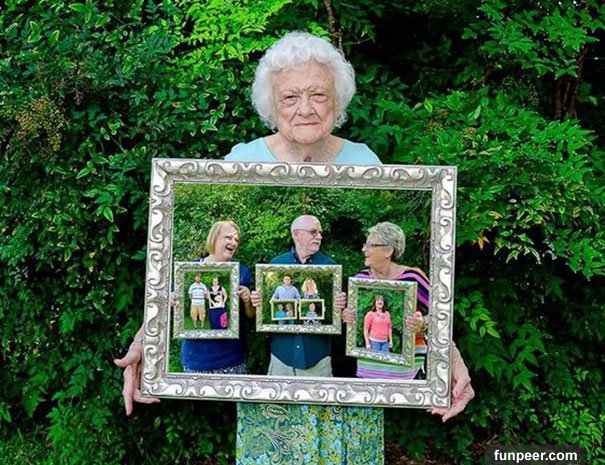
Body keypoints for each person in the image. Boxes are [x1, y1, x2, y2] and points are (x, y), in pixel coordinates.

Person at [117, 31, 473, 463]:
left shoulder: (365, 163)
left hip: (341, 384)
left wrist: (449, 358)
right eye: (290, 97)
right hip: (275, 377)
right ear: (271, 105)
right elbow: (194, 272)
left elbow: (400, 289)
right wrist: (147, 342)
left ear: (337, 102)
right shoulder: (240, 161)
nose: (305, 108)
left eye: (318, 94)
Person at [114, 221, 254, 413]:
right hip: (195, 360)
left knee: (233, 415)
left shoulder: (242, 272)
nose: (234, 242)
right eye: (228, 237)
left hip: (232, 360)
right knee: (198, 414)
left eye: (236, 239)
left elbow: (249, 315)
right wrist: (140, 342)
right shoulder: (188, 270)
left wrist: (247, 299)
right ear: (214, 238)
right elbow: (158, 313)